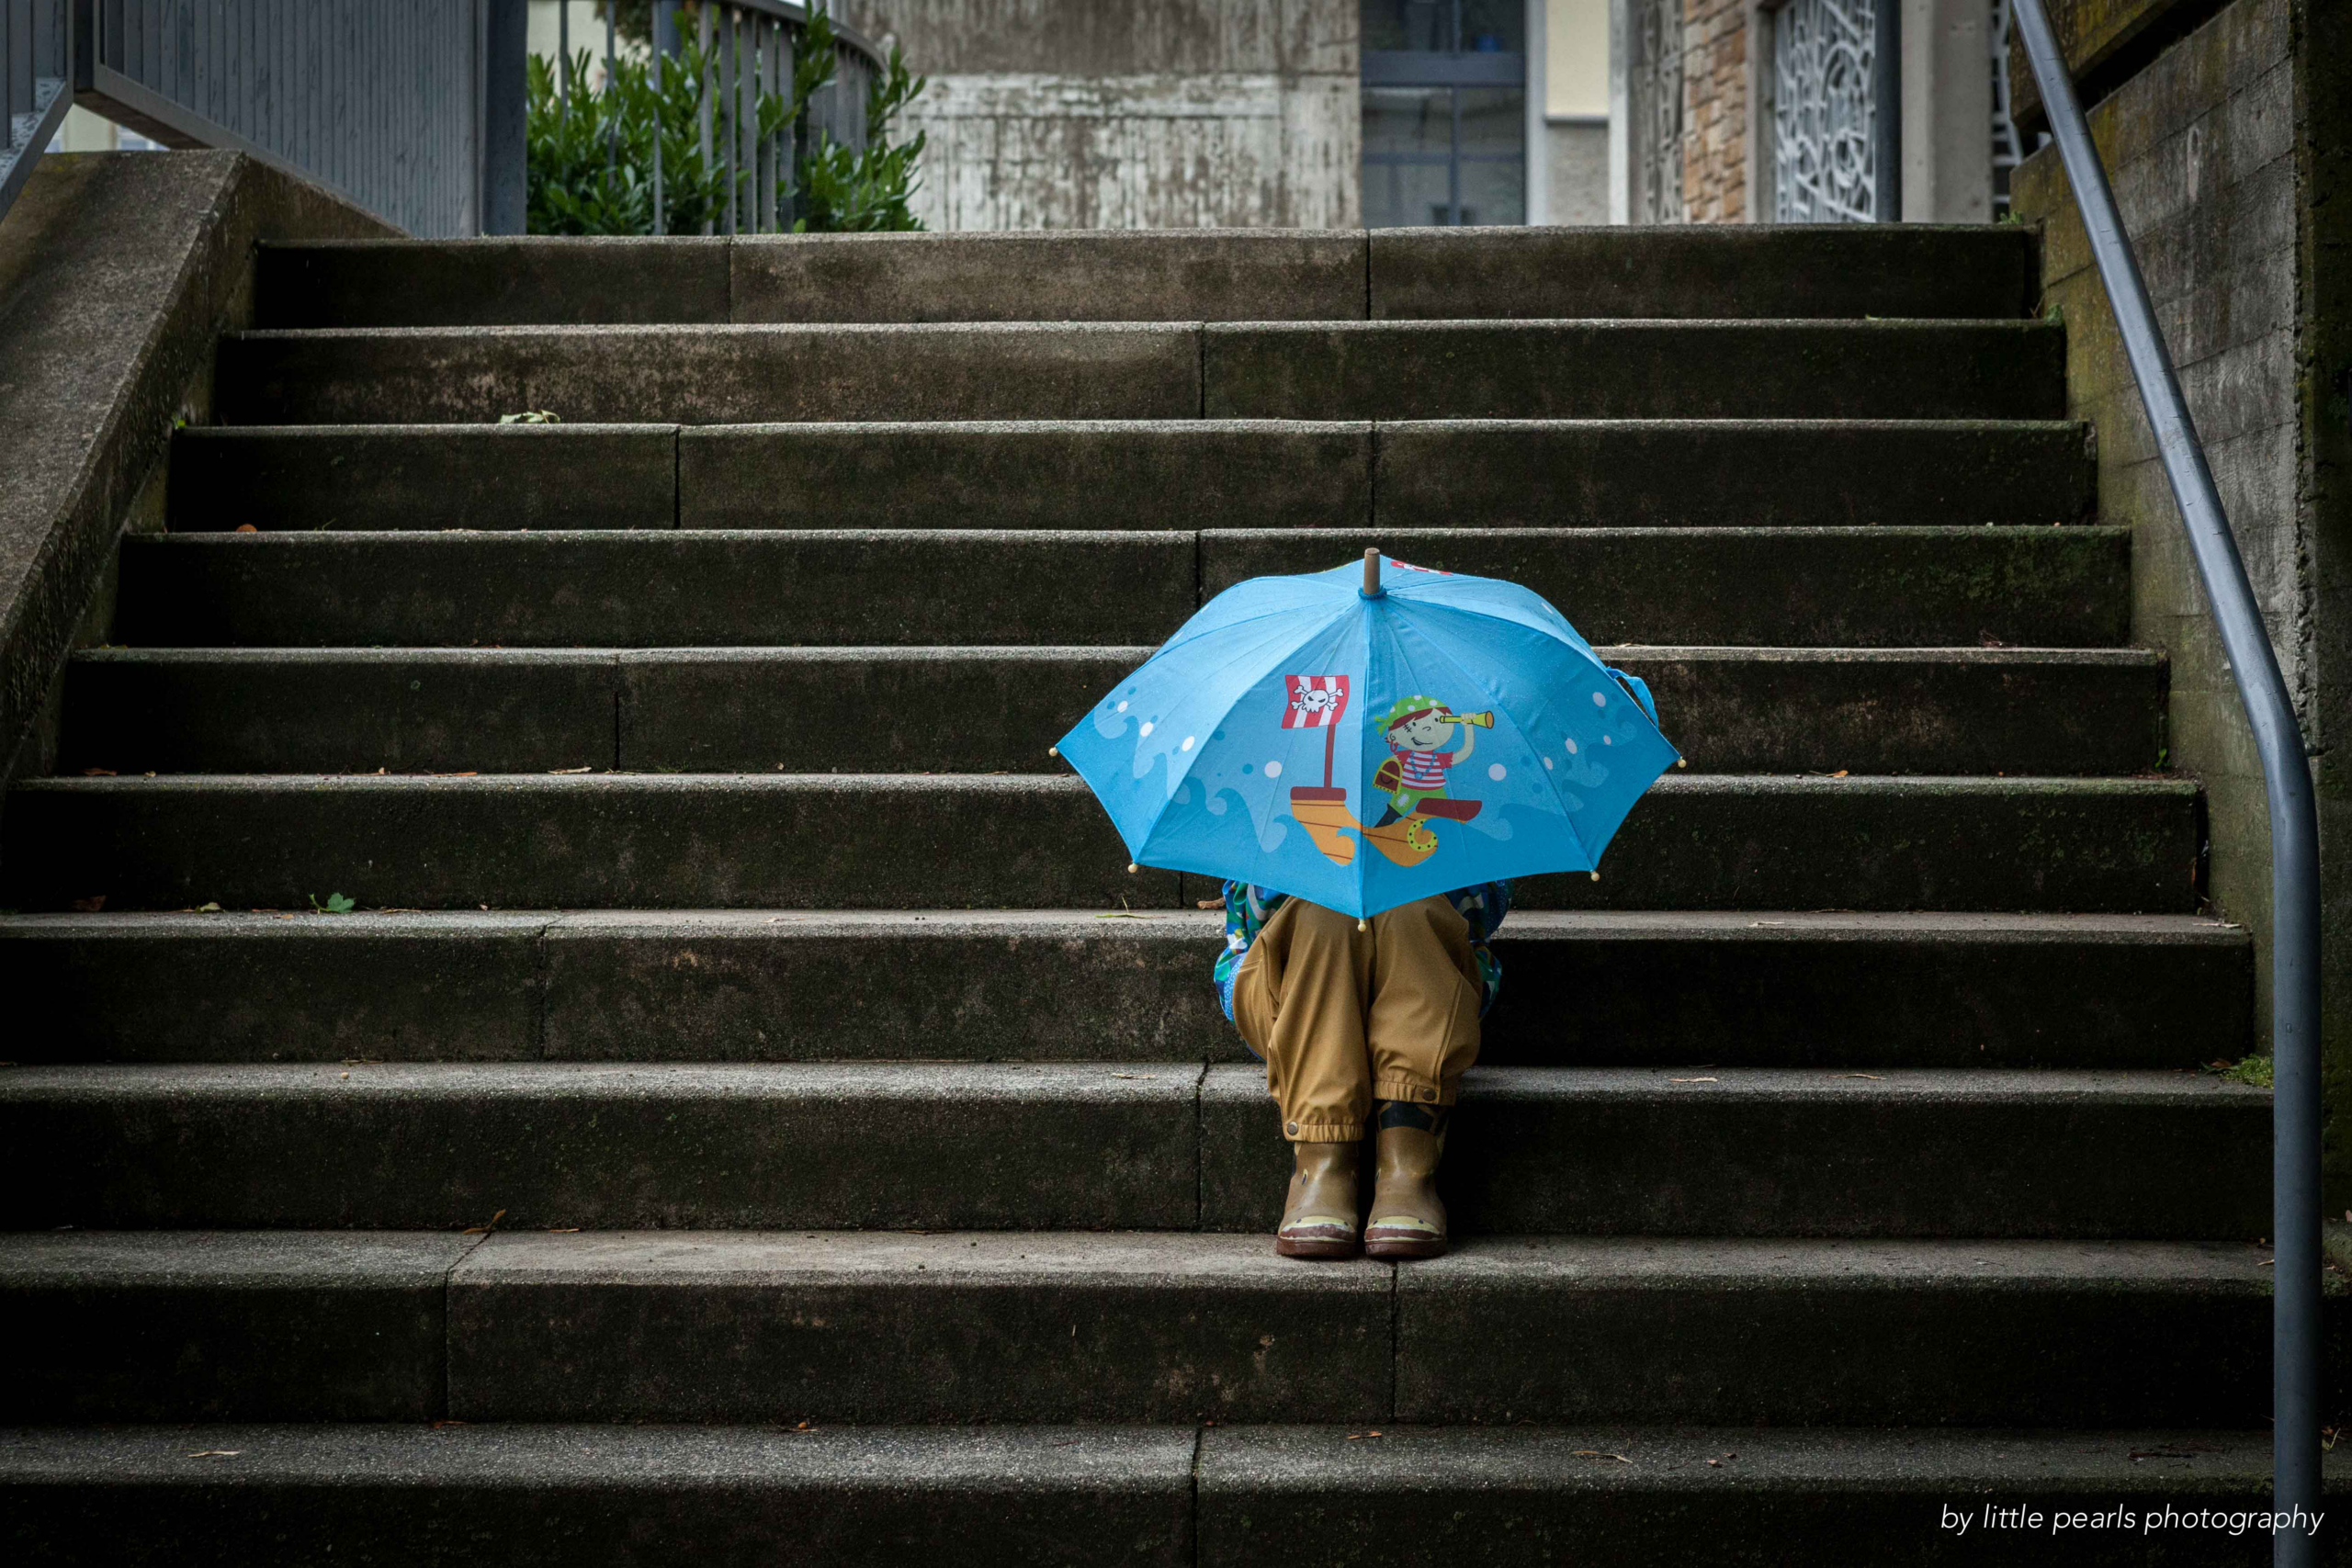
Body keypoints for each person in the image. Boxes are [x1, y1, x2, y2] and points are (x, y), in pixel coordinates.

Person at [1215, 880, 1510, 1260]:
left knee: (1411, 903)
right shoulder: (1271, 823)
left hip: (1431, 978)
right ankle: (1322, 1158)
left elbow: (1482, 912)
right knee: (1325, 913)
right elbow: (1254, 918)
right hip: (1291, 990)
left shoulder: (1451, 823)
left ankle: (1408, 1162)